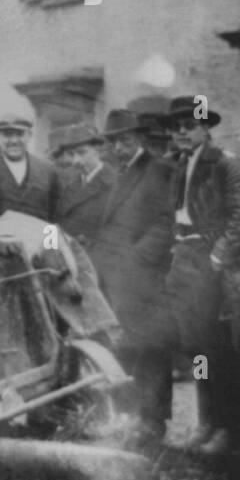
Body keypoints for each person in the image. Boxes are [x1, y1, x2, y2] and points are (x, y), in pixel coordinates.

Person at [162, 95, 240, 456]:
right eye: (176, 127)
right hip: (185, 258)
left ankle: (231, 428)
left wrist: (217, 258)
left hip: (213, 263)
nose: (182, 133)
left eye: (189, 125)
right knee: (196, 348)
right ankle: (207, 421)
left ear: (205, 128)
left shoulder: (225, 164)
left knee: (221, 349)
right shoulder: (181, 164)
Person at [89, 109, 176, 452]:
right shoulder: (120, 174)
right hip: (118, 281)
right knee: (126, 349)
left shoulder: (160, 170)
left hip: (148, 279)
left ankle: (154, 422)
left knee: (152, 348)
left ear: (140, 139)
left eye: (125, 140)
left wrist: (139, 257)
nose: (119, 147)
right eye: (113, 141)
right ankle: (130, 419)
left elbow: (168, 223)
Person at [56, 122, 116, 249]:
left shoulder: (115, 184)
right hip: (68, 260)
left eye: (81, 152)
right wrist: (50, 250)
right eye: (72, 154)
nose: (76, 161)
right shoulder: (69, 184)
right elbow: (54, 223)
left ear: (98, 149)